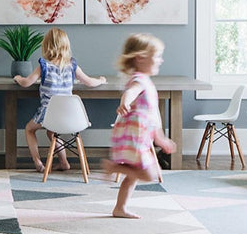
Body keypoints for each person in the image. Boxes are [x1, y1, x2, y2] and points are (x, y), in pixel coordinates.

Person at [102, 33, 176, 219]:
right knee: (148, 174)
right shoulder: (139, 80)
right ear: (141, 58)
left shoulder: (146, 80)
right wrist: (125, 101)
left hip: (142, 133)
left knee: (134, 174)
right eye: (157, 56)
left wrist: (161, 139)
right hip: (135, 134)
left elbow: (154, 116)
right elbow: (131, 92)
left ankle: (120, 208)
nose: (161, 60)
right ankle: (113, 168)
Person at [14, 28, 107, 172]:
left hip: (49, 112)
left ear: (46, 45)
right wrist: (100, 80)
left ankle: (37, 161)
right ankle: (64, 163)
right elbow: (89, 82)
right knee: (52, 133)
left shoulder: (44, 65)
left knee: (29, 129)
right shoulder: (72, 65)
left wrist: (18, 78)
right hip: (69, 114)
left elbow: (27, 83)